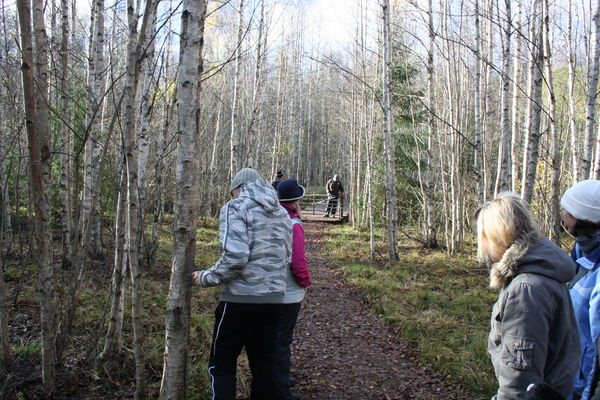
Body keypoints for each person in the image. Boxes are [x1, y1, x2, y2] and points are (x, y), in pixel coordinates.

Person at [192, 168, 292, 400]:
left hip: (240, 299)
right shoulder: (281, 213)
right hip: (275, 300)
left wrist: (205, 277)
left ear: (238, 188)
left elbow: (235, 258)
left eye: (232, 193)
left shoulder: (236, 207)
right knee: (265, 366)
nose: (232, 197)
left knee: (222, 363)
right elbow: (286, 256)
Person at [474, 193, 580, 400]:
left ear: (498, 236)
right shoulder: (540, 270)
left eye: (483, 236)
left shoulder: (526, 290)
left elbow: (521, 383)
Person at [560, 180, 600, 400]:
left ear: (579, 218)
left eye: (566, 210)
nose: (562, 214)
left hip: (581, 388)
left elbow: (596, 353)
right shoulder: (580, 253)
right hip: (568, 377)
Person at [275, 179, 311, 400]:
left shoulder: (274, 218)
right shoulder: (294, 224)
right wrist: (305, 281)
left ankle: (279, 378)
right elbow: (297, 261)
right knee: (282, 340)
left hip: (271, 286)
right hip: (288, 291)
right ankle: (280, 389)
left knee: (274, 337)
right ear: (296, 200)